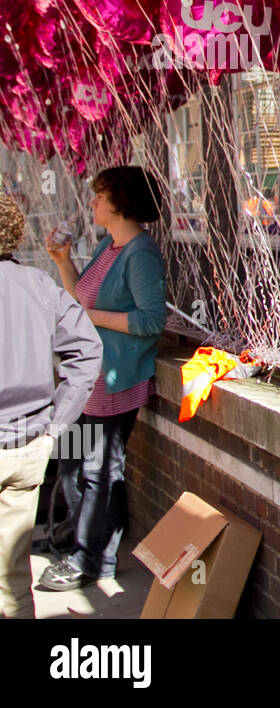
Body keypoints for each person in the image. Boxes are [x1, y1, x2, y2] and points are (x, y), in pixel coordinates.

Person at [40, 166, 167, 592]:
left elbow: (151, 320)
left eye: (99, 196)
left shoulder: (140, 254)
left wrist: (88, 318)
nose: (92, 202)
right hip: (84, 384)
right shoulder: (107, 246)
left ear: (121, 202)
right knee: (72, 464)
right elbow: (80, 296)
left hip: (113, 386)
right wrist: (62, 262)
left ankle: (94, 561)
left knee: (100, 471)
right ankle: (75, 541)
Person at [0, 191, 101, 617]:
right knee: (13, 584)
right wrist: (54, 431)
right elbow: (88, 351)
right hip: (28, 447)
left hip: (27, 442)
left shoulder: (40, 284)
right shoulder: (38, 284)